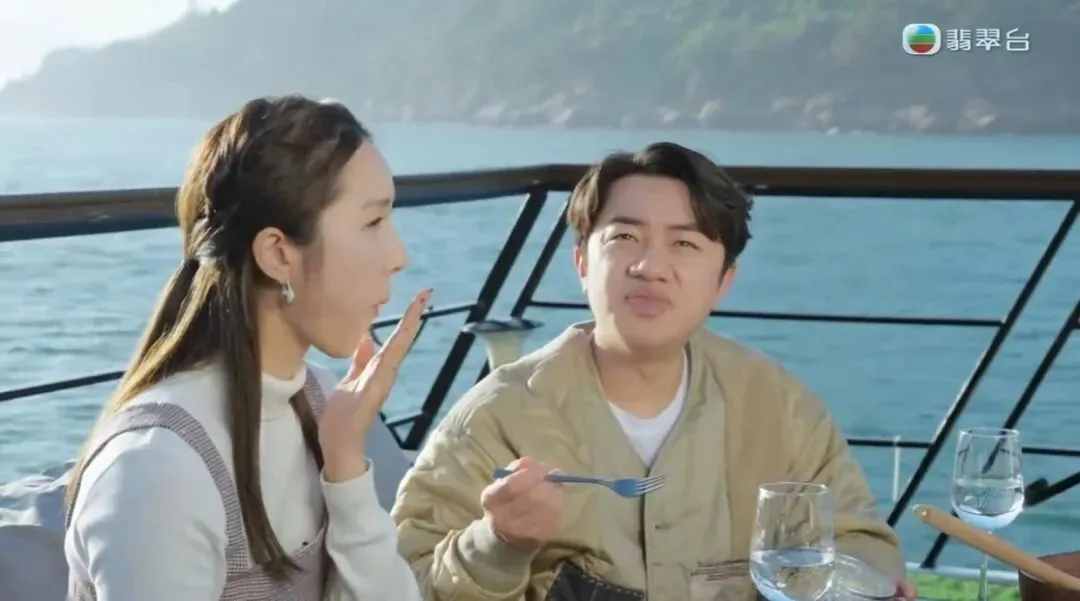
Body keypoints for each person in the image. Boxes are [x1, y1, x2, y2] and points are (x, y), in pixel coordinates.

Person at [392, 142, 917, 601]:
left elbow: (859, 543)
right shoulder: (494, 420)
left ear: (723, 282)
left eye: (684, 244)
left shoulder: (781, 410)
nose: (649, 267)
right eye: (624, 237)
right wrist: (497, 544)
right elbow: (402, 582)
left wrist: (862, 585)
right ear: (582, 263)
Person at [64, 95, 427, 601]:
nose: (398, 256)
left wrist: (344, 464)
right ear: (278, 254)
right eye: (373, 223)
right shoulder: (158, 469)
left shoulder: (322, 406)